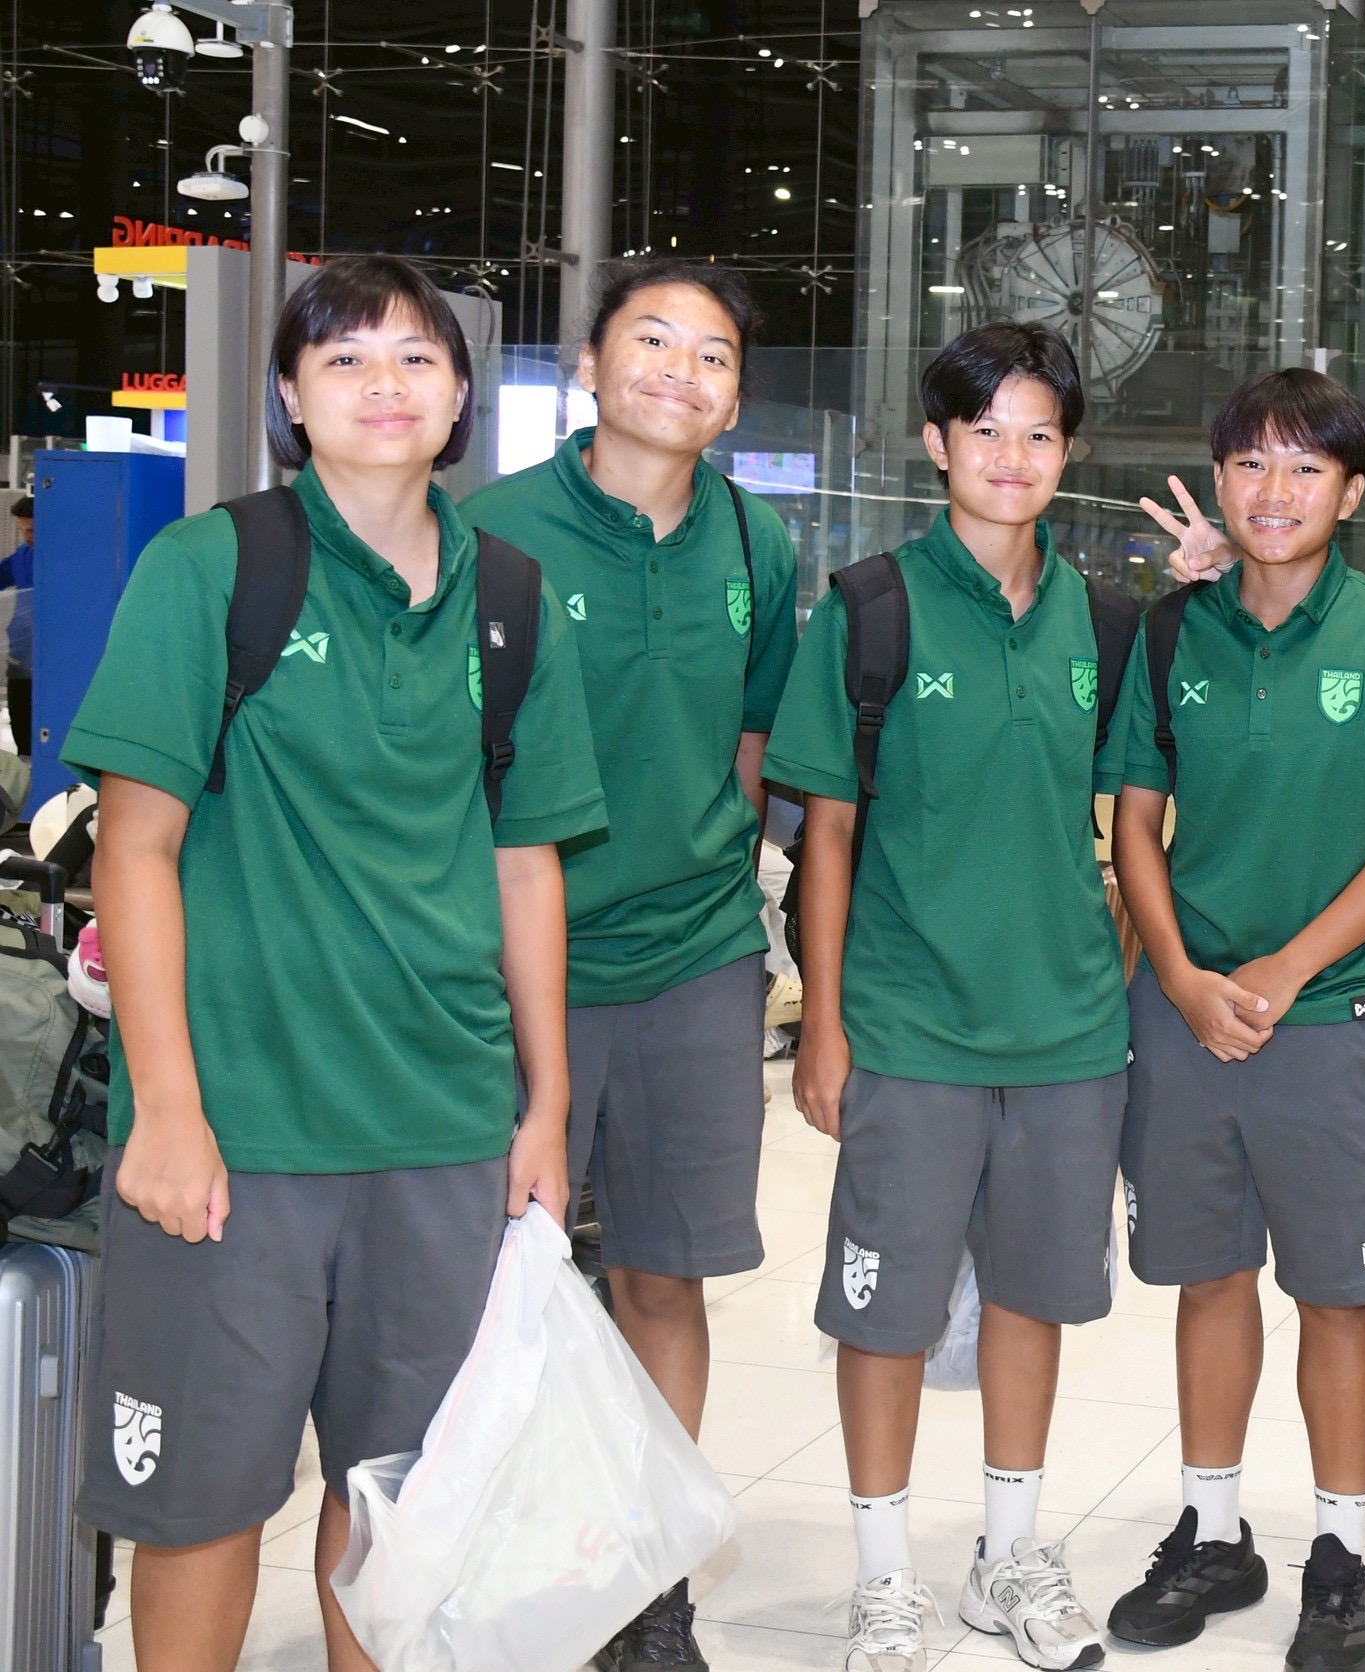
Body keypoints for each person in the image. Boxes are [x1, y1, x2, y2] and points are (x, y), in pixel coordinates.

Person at [66, 254, 604, 1672]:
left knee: (400, 1500)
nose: (384, 383)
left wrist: (544, 1106)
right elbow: (136, 850)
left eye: (417, 357)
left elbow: (526, 866)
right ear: (291, 399)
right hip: (239, 1134)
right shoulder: (215, 569)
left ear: (462, 398)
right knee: (203, 1504)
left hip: (440, 1129)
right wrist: (167, 1108)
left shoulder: (511, 598)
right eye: (345, 358)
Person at [1105, 369, 1365, 1672]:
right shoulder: (1171, 634)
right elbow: (1137, 823)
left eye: (1306, 467)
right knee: (1208, 1279)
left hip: (1337, 1017)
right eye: (1252, 464)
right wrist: (1181, 975)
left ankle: (1338, 1555)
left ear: (1353, 491)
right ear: (1220, 480)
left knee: (1336, 1293)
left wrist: (1284, 967)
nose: (1275, 491)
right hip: (1188, 1016)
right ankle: (1213, 1533)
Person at [765, 323, 1128, 1672]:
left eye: (1038, 433)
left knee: (1032, 1299)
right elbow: (827, 836)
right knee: (886, 1312)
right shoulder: (871, 612)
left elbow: (1133, 821)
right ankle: (882, 1578)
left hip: (1066, 1036)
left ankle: (1009, 1557)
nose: (1011, 457)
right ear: (937, 445)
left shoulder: (1104, 622)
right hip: (911, 1029)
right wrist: (825, 1021)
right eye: (986, 431)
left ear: (1067, 452)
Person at [461, 256, 799, 1672]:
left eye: (712, 353)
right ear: (589, 366)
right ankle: (477, 1567)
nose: (681, 369)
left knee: (665, 1277)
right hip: (504, 967)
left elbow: (751, 743)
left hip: (695, 963)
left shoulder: (759, 546)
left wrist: (720, 867)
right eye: (650, 339)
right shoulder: (490, 532)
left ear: (736, 396)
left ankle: (649, 1592)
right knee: (484, 1289)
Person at [6, 492, 34, 756]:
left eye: (33, 530)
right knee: (21, 722)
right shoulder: (22, 556)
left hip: (49, 657)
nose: (27, 536)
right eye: (23, 530)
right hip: (21, 653)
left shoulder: (60, 562)